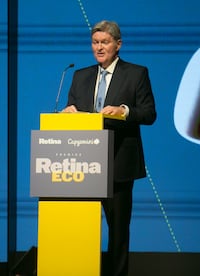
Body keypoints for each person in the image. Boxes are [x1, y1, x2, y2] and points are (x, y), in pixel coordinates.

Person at [62, 20, 157, 276]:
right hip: (83, 165)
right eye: (95, 42)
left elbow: (149, 114)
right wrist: (67, 114)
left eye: (104, 42)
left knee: (118, 231)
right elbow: (72, 112)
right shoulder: (80, 76)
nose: (99, 47)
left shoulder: (136, 73)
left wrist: (124, 111)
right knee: (81, 229)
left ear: (118, 44)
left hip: (119, 165)